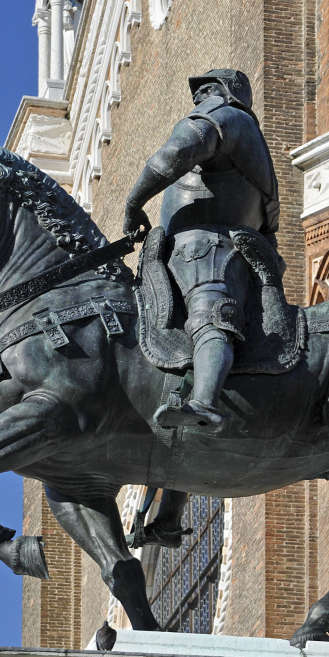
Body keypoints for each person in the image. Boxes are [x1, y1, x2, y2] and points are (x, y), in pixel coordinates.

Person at [123, 69, 280, 433]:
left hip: (208, 250)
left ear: (223, 92)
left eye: (205, 90)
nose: (198, 100)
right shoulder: (258, 153)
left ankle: (204, 403)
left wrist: (134, 201)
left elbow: (180, 149)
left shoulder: (227, 117)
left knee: (208, 312)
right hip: (187, 251)